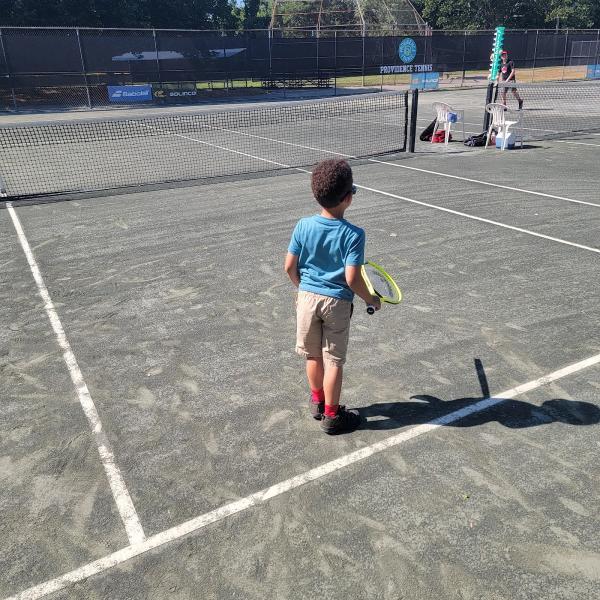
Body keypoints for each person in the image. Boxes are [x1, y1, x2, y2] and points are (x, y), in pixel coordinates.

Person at [284, 159, 380, 435]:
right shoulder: (354, 234)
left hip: (306, 299)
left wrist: (302, 288)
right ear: (348, 198)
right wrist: (371, 299)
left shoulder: (303, 225)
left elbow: (289, 267)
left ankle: (318, 402)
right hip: (336, 302)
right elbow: (352, 278)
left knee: (312, 356)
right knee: (334, 361)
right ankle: (332, 416)